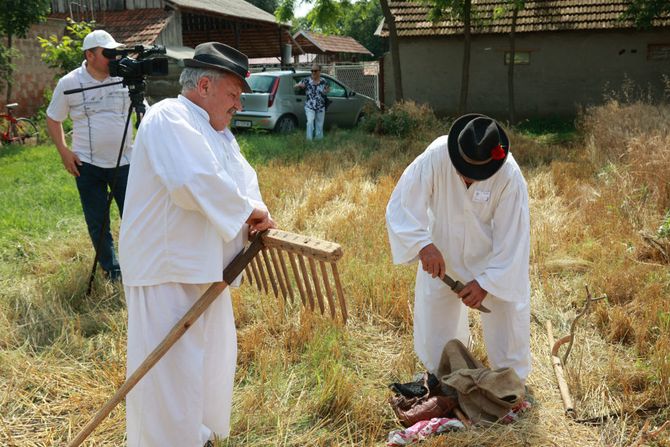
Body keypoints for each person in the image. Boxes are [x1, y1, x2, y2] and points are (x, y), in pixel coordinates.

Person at [118, 42, 275, 447]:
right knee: (168, 379)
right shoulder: (169, 115)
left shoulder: (218, 133)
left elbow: (244, 181)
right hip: (166, 271)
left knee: (209, 367)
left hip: (208, 271)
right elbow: (192, 181)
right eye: (234, 94)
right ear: (204, 84)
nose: (238, 105)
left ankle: (197, 437)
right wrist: (247, 212)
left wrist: (256, 210)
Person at [385, 114, 531, 383]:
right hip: (442, 252)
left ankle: (511, 383)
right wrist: (423, 244)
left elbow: (514, 240)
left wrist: (487, 283)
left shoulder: (509, 176)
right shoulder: (436, 155)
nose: (466, 176)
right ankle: (442, 375)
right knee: (436, 317)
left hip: (493, 260)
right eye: (463, 169)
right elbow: (402, 204)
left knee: (508, 313)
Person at [46, 29, 131, 280]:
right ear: (90, 55)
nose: (114, 58)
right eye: (108, 53)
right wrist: (64, 152)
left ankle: (138, 265)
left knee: (134, 217)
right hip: (88, 164)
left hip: (126, 162)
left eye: (115, 52)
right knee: (98, 221)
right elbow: (53, 118)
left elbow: (144, 113)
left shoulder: (125, 78)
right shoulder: (69, 83)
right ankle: (112, 271)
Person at [295, 63, 330, 141]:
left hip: (320, 107)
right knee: (310, 122)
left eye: (315, 71)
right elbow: (295, 85)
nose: (313, 73)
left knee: (319, 125)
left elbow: (327, 90)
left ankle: (319, 140)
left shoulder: (323, 81)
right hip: (309, 106)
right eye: (312, 71)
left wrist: (326, 91)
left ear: (319, 71)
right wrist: (299, 86)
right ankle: (309, 141)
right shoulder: (307, 80)